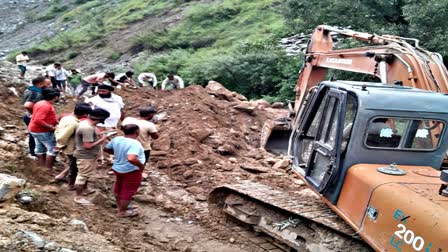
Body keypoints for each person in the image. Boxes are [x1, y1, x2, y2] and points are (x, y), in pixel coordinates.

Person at [104, 124, 145, 217]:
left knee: (119, 185)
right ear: (137, 132)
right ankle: (122, 212)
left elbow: (106, 148)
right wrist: (141, 166)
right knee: (128, 190)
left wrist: (117, 154)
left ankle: (120, 207)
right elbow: (131, 158)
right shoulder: (135, 143)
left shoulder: (117, 139)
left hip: (118, 168)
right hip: (130, 170)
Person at [73, 108, 110, 205]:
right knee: (82, 176)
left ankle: (84, 190)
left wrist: (101, 135)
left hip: (87, 155)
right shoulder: (88, 128)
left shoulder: (86, 123)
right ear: (100, 119)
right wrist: (103, 139)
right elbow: (87, 146)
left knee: (85, 174)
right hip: (86, 156)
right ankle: (78, 197)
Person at [54, 103, 92, 189]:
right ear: (85, 115)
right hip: (72, 148)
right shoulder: (74, 124)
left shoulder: (66, 118)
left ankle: (62, 176)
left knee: (72, 164)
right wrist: (60, 145)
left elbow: (58, 130)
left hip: (69, 146)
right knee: (74, 167)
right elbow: (62, 137)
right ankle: (71, 185)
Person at [28, 88, 60, 173]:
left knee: (40, 147)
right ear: (56, 97)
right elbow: (38, 120)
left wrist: (56, 121)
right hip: (42, 131)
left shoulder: (40, 102)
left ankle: (42, 168)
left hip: (35, 129)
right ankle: (48, 169)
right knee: (53, 149)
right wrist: (50, 127)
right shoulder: (46, 106)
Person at [23, 77, 50, 159]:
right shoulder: (36, 93)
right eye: (47, 84)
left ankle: (34, 153)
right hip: (33, 117)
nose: (49, 85)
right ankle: (35, 154)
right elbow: (28, 105)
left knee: (33, 135)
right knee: (36, 136)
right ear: (40, 84)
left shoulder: (29, 89)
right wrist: (33, 115)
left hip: (28, 116)